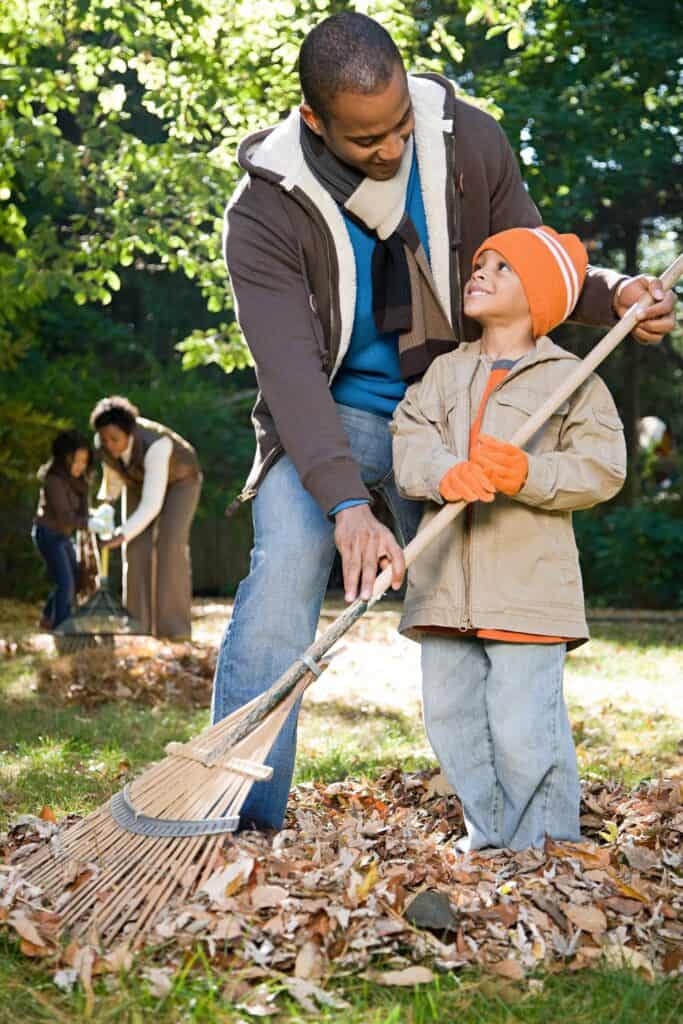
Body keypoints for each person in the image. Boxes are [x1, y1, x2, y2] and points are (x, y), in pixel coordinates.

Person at [212, 12, 677, 831]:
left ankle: (522, 832)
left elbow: (532, 255)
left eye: (398, 127)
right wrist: (346, 507)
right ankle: (240, 817)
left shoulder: (465, 140)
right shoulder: (263, 212)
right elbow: (289, 377)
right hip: (335, 418)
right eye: (366, 141)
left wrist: (615, 294)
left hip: (461, 406)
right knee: (283, 571)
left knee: (485, 613)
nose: (392, 150)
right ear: (315, 122)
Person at [391, 225, 627, 851]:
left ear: (542, 297)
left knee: (524, 728)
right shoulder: (443, 373)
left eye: (503, 268)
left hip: (528, 589)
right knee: (453, 721)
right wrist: (445, 471)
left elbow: (602, 468)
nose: (481, 272)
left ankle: (544, 847)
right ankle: (491, 839)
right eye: (479, 263)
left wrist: (530, 474)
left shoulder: (573, 379)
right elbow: (410, 438)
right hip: (443, 588)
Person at [90, 396, 202, 640]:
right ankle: (136, 628)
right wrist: (105, 512)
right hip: (137, 481)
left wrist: (121, 533)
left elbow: (152, 504)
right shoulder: (103, 443)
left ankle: (174, 631)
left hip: (180, 480)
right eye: (105, 439)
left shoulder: (156, 445)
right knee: (134, 548)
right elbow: (113, 480)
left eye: (115, 439)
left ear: (130, 433)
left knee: (169, 545)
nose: (109, 445)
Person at [33, 430, 94, 630]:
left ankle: (47, 618)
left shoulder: (80, 482)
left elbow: (83, 512)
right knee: (66, 583)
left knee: (74, 579)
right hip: (48, 534)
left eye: (84, 461)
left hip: (63, 535)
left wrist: (95, 517)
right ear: (63, 459)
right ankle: (63, 627)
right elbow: (65, 516)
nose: (80, 466)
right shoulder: (54, 480)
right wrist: (88, 523)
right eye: (75, 461)